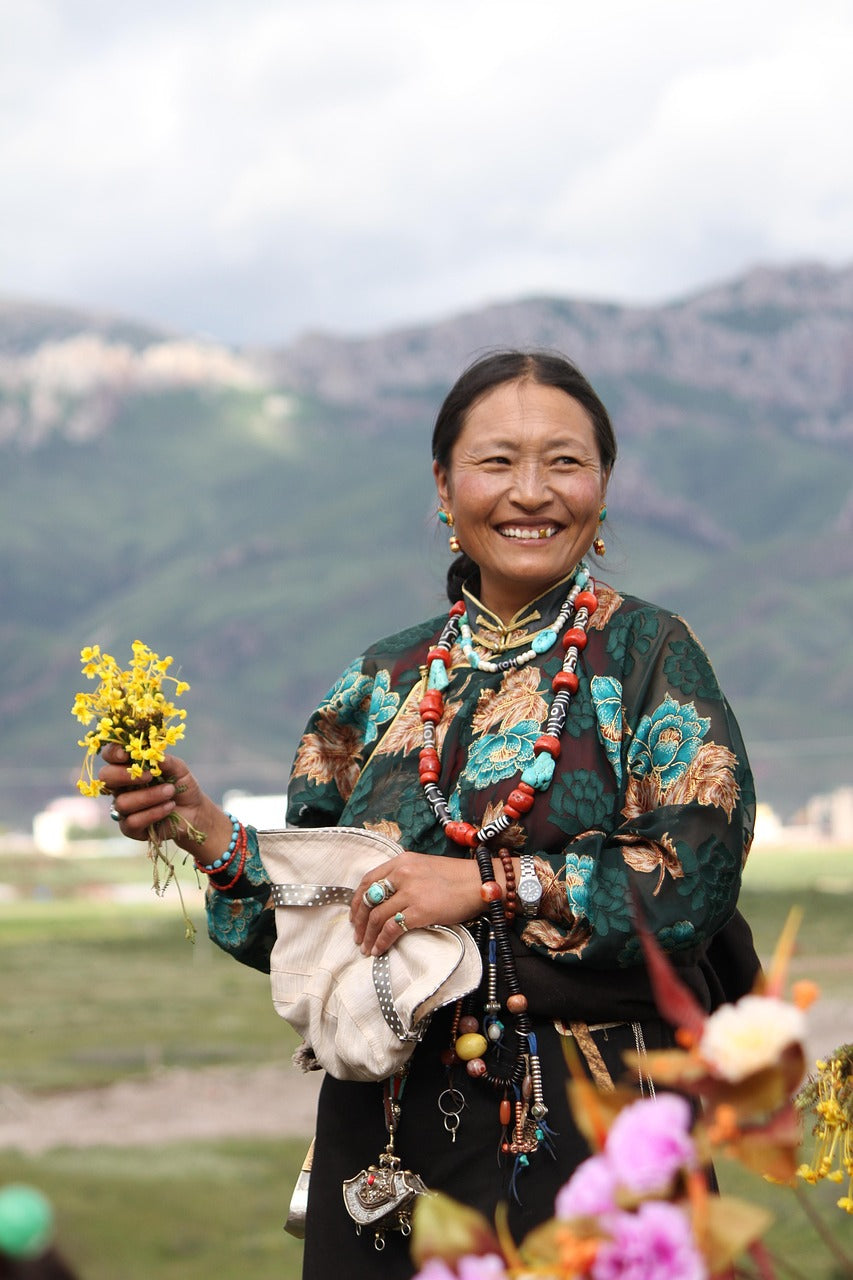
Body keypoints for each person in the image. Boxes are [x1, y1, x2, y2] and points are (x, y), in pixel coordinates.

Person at [100, 350, 759, 1279]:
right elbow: (288, 929)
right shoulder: (377, 684)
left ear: (603, 490)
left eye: (564, 462)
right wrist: (203, 828)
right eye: (496, 462)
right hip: (382, 1138)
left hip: (587, 1133)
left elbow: (694, 882)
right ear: (443, 488)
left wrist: (485, 884)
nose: (531, 491)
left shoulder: (649, 657)